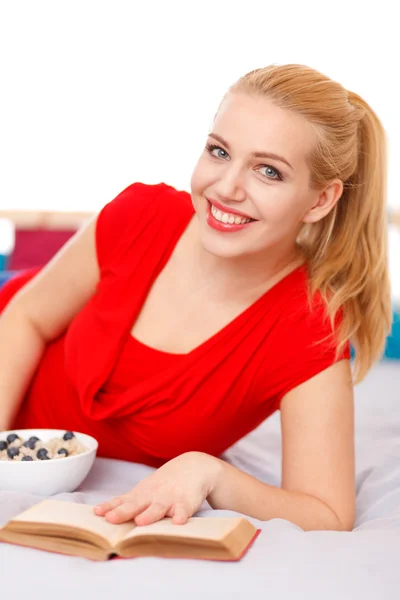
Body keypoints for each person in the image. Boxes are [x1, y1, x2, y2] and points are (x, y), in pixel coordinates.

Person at [0, 64, 392, 532]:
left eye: (269, 171)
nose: (226, 188)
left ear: (320, 201)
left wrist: (210, 471)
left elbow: (327, 514)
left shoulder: (307, 329)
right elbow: (25, 317)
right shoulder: (139, 213)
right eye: (219, 152)